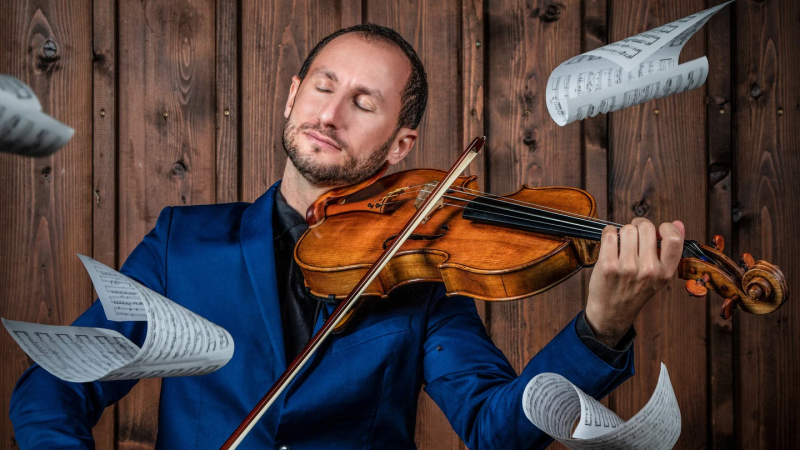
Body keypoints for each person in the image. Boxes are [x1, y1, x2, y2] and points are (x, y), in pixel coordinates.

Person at [9, 24, 685, 449]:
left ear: (400, 145)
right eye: (323, 88)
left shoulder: (421, 277)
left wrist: (601, 327)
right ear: (292, 95)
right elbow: (53, 387)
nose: (330, 114)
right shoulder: (182, 244)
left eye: (364, 103)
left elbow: (495, 427)